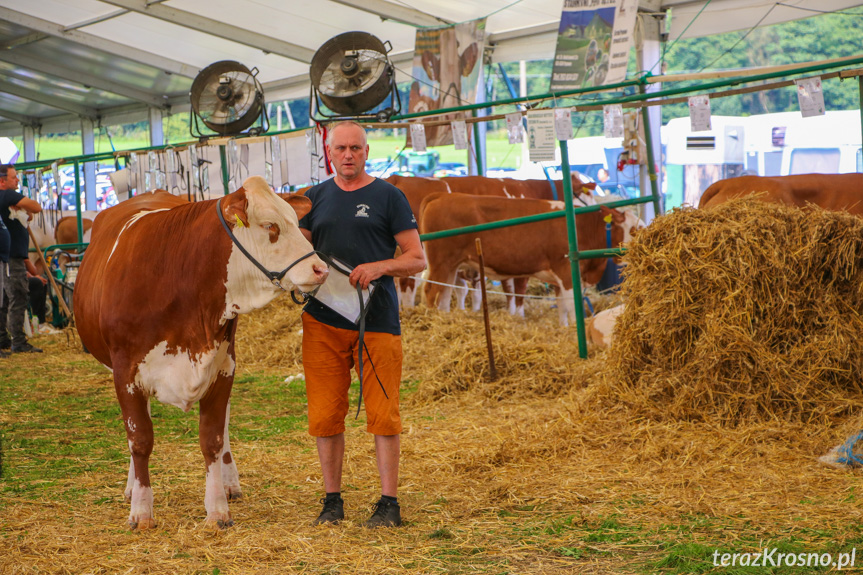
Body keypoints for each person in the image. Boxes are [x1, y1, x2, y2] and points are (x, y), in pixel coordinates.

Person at [298, 121, 426, 528]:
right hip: (322, 321)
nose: (348, 155)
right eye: (341, 149)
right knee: (324, 414)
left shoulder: (389, 196)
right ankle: (331, 501)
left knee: (383, 414)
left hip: (377, 320)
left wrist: (380, 266)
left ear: (366, 152)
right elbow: (295, 253)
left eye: (355, 148)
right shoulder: (313, 199)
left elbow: (416, 258)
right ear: (329, 153)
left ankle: (389, 503)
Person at [0, 164, 43, 353]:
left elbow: (30, 216)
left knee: (4, 300)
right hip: (12, 258)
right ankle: (18, 341)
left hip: (9, 257)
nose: (17, 180)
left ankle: (4, 339)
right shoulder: (7, 195)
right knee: (17, 297)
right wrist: (21, 203)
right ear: (2, 181)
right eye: (13, 177)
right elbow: (36, 207)